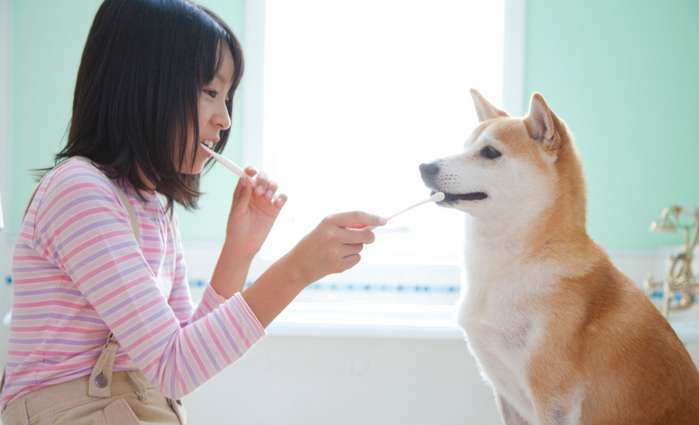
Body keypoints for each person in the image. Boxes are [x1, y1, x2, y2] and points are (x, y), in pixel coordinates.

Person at [0, 1, 386, 423]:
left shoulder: (152, 208)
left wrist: (239, 250)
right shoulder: (79, 192)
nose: (224, 119)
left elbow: (184, 357)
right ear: (145, 84)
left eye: (228, 97)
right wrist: (298, 270)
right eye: (210, 93)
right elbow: (174, 367)